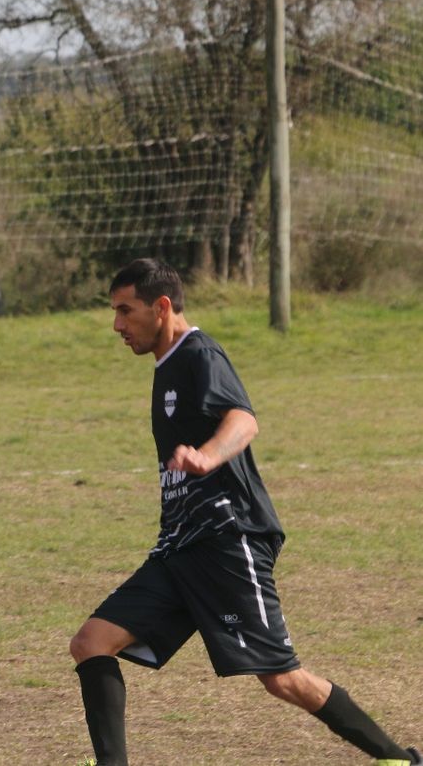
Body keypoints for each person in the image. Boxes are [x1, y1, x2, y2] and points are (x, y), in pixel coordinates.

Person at [69, 258, 419, 766]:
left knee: (282, 679)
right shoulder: (166, 365)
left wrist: (207, 456)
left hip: (226, 541)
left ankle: (399, 760)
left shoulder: (198, 354)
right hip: (181, 547)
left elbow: (242, 419)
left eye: (126, 311)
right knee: (92, 642)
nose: (117, 325)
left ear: (161, 307)